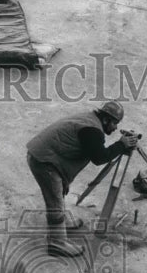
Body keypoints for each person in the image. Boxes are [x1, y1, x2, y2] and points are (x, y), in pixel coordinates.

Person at [26, 101, 140, 256]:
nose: (115, 128)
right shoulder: (92, 130)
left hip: (45, 155)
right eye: (114, 123)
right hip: (44, 160)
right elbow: (100, 157)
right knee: (55, 200)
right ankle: (56, 243)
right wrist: (121, 145)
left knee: (57, 193)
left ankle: (61, 224)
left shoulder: (91, 120)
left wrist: (121, 144)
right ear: (106, 119)